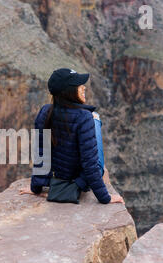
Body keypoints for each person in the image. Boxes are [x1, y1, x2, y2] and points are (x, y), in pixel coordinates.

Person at [19, 68, 124, 205]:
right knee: (95, 118)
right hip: (78, 180)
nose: (84, 87)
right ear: (70, 92)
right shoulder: (84, 118)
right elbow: (90, 164)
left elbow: (41, 154)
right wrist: (105, 198)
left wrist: (36, 188)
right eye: (79, 85)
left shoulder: (45, 111)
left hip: (58, 176)